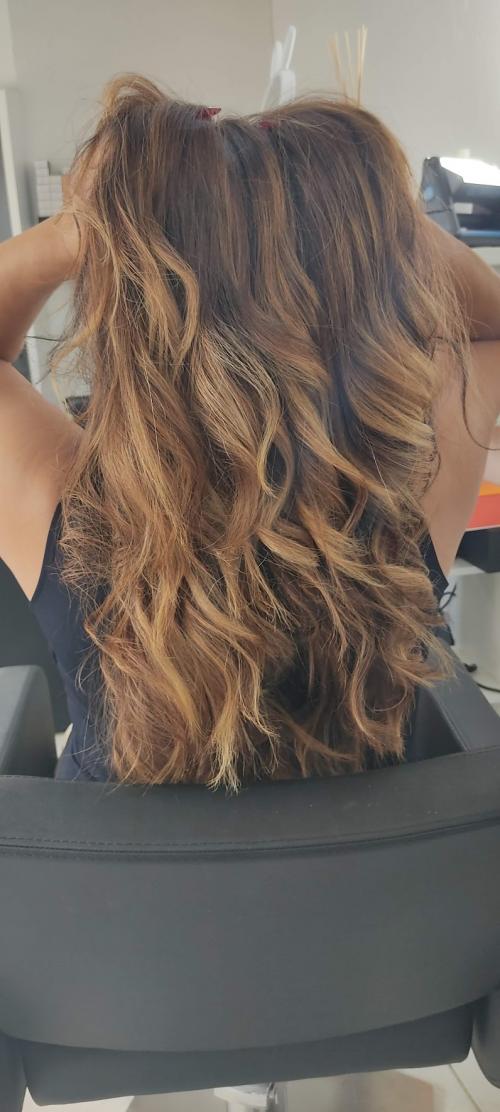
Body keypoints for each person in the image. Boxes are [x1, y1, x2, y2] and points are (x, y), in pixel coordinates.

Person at [1, 74, 500, 791]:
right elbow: (490, 330)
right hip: (378, 866)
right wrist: (388, 223)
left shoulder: (70, 515)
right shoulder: (404, 503)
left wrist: (73, 232)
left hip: (111, 866)